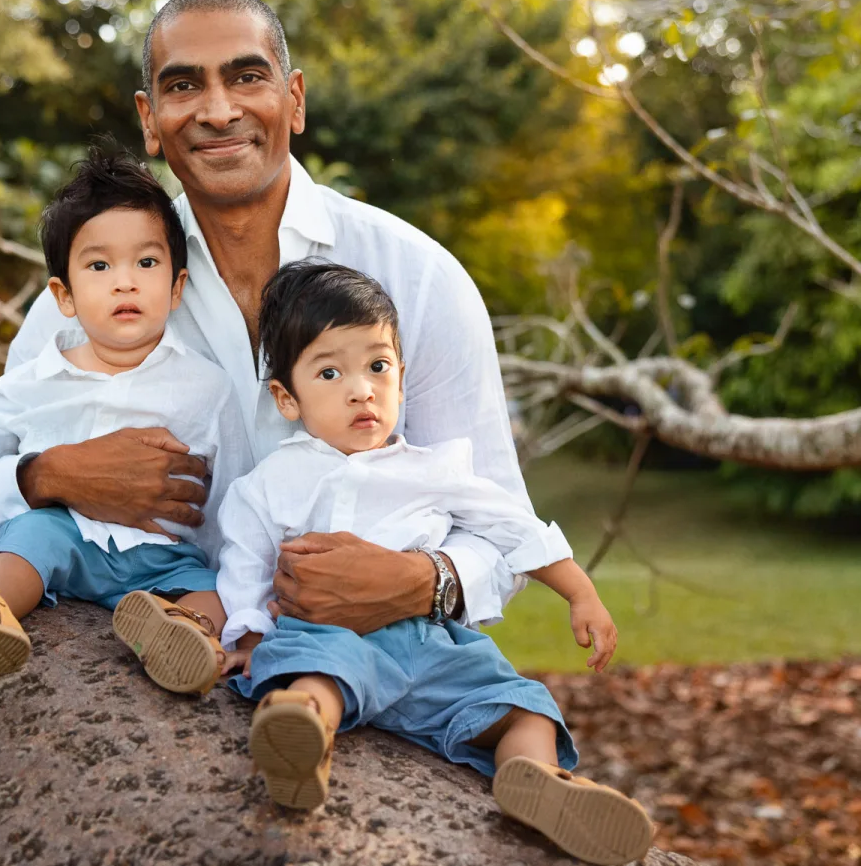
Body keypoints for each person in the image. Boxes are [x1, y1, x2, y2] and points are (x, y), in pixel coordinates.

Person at [0, 0, 554, 650]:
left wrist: (419, 580)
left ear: (295, 99)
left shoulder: (419, 278)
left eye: (247, 76)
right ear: (150, 118)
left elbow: (500, 520)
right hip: (154, 657)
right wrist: (49, 474)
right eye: (183, 86)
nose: (218, 110)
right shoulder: (91, 297)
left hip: (374, 671)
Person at [212, 261, 653, 866]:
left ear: (400, 376)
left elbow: (511, 525)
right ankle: (299, 737)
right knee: (314, 672)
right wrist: (246, 631)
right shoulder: (272, 482)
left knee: (523, 705)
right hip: (333, 636)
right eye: (330, 371)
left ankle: (536, 781)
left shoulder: (435, 469)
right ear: (286, 397)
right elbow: (246, 556)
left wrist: (580, 591)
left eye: (377, 366)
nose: (361, 389)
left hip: (433, 646)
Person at [0, 147, 251, 693]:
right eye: (100, 266)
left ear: (176, 288)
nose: (125, 282)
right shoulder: (37, 379)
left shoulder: (208, 388)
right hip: (67, 536)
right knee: (32, 533)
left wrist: (243, 605)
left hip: (162, 559)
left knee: (212, 590)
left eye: (146, 263)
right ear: (64, 295)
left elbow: (230, 493)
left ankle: (182, 636)